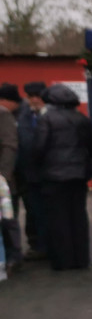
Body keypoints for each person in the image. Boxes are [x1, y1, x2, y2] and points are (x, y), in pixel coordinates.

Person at [34, 84, 92, 270]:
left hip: (54, 177)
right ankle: (81, 259)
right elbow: (91, 145)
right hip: (78, 175)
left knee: (58, 219)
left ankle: (63, 261)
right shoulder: (82, 119)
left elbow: (39, 148)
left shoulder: (47, 119)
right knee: (78, 216)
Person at [19, 81, 49, 260]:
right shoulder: (24, 116)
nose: (35, 99)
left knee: (50, 212)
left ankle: (51, 245)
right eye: (31, 96)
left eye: (38, 96)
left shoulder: (52, 114)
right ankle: (37, 246)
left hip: (50, 173)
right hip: (29, 174)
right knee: (33, 212)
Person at [0, 82, 23, 271]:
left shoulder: (3, 114)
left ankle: (13, 257)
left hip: (2, 181)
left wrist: (3, 176)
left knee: (8, 219)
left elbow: (10, 146)